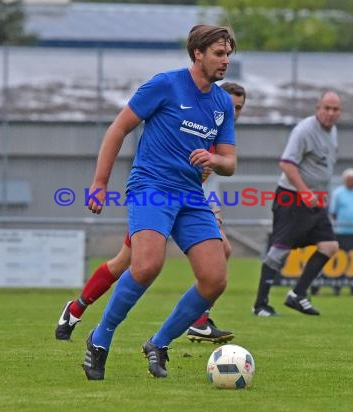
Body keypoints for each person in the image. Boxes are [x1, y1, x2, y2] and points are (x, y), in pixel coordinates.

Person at [81, 25, 237, 380]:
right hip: (151, 187)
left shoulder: (222, 103)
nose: (226, 60)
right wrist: (100, 183)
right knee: (147, 264)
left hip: (190, 196)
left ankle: (159, 343)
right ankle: (100, 338)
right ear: (198, 53)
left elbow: (229, 162)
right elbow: (117, 129)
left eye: (228, 54)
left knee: (215, 280)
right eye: (219, 53)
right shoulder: (165, 85)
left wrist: (214, 161)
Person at [55, 81, 247, 344]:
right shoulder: (190, 117)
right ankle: (76, 309)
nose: (234, 113)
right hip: (156, 201)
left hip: (188, 204)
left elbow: (202, 180)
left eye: (240, 108)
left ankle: (199, 320)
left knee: (220, 252)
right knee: (125, 263)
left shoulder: (219, 138)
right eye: (232, 106)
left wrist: (210, 209)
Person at [252, 91, 341, 317]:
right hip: (292, 197)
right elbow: (287, 164)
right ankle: (260, 305)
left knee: (329, 246)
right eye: (326, 108)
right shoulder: (304, 131)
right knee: (278, 252)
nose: (330, 113)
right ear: (317, 108)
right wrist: (304, 192)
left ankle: (297, 295)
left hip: (315, 200)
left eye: (335, 109)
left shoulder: (332, 132)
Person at [313, 167, 353, 296]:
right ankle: (337, 285)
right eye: (349, 179)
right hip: (342, 231)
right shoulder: (338, 193)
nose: (351, 182)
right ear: (344, 180)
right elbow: (333, 212)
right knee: (341, 259)